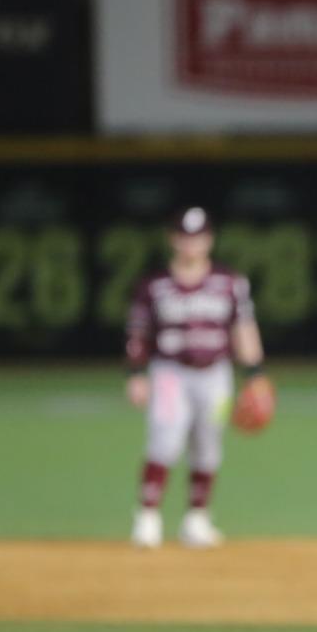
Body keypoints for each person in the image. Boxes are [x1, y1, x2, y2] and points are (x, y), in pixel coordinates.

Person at [125, 207, 265, 549]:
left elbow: (243, 328)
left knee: (208, 445)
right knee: (165, 441)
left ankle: (197, 519)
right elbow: (138, 332)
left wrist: (255, 374)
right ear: (173, 240)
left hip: (216, 376)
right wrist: (136, 373)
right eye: (185, 237)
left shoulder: (229, 282)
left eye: (198, 237)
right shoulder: (154, 286)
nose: (191, 244)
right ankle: (147, 517)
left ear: (210, 239)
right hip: (170, 373)